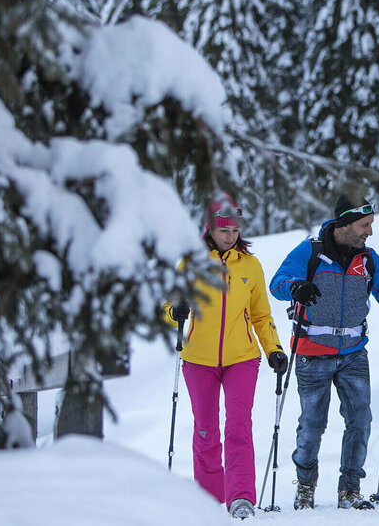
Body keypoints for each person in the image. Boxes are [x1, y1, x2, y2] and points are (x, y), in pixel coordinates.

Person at [269, 194, 379, 511]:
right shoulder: (310, 252)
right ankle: (305, 487)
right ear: (345, 224)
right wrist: (296, 287)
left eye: (370, 225)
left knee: (360, 420)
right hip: (311, 352)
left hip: (353, 353)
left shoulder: (369, 260)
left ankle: (350, 490)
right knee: (312, 424)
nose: (369, 232)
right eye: (365, 225)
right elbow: (277, 282)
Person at [166, 193, 287, 520]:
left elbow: (261, 315)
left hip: (241, 359)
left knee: (238, 426)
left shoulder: (250, 265)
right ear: (209, 228)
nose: (230, 236)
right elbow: (167, 309)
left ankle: (241, 498)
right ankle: (208, 499)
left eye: (234, 230)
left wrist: (273, 349)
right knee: (205, 430)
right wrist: (175, 311)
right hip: (199, 359)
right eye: (224, 231)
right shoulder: (190, 263)